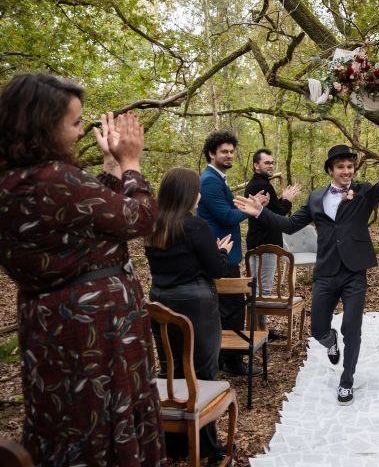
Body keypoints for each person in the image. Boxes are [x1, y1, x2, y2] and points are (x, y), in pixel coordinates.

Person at [0, 73, 165, 465]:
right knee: (102, 419)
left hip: (48, 327)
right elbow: (139, 219)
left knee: (67, 418)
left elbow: (84, 215)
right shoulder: (57, 177)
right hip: (95, 333)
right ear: (42, 125)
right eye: (74, 123)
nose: (79, 133)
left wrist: (109, 166)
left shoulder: (14, 181)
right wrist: (131, 164)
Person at [234, 120, 379, 406]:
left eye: (349, 166)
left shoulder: (363, 192)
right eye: (340, 167)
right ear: (330, 171)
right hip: (325, 272)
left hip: (354, 272)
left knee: (353, 327)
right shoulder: (314, 199)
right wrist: (261, 212)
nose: (346, 171)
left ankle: (346, 379)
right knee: (318, 328)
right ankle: (330, 341)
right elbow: (287, 225)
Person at [145, 167, 234, 464]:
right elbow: (217, 270)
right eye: (196, 190)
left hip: (159, 303)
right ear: (188, 195)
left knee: (170, 368)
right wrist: (221, 251)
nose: (199, 195)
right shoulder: (195, 227)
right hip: (196, 307)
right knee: (204, 374)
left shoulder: (153, 226)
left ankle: (174, 445)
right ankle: (207, 447)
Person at [197, 130, 251, 376]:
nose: (229, 155)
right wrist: (251, 209)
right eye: (224, 152)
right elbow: (226, 216)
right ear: (211, 153)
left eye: (231, 151)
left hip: (224, 251)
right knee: (233, 306)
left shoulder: (218, 178)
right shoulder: (209, 179)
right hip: (220, 252)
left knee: (227, 306)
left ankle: (222, 358)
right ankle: (232, 361)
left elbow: (227, 209)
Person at [244, 148, 302, 336]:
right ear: (256, 165)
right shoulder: (262, 185)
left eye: (271, 163)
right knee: (263, 290)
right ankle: (260, 331)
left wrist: (280, 201)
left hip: (255, 242)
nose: (270, 165)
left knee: (257, 289)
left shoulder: (255, 184)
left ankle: (259, 328)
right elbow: (278, 215)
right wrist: (287, 200)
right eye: (266, 162)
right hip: (265, 245)